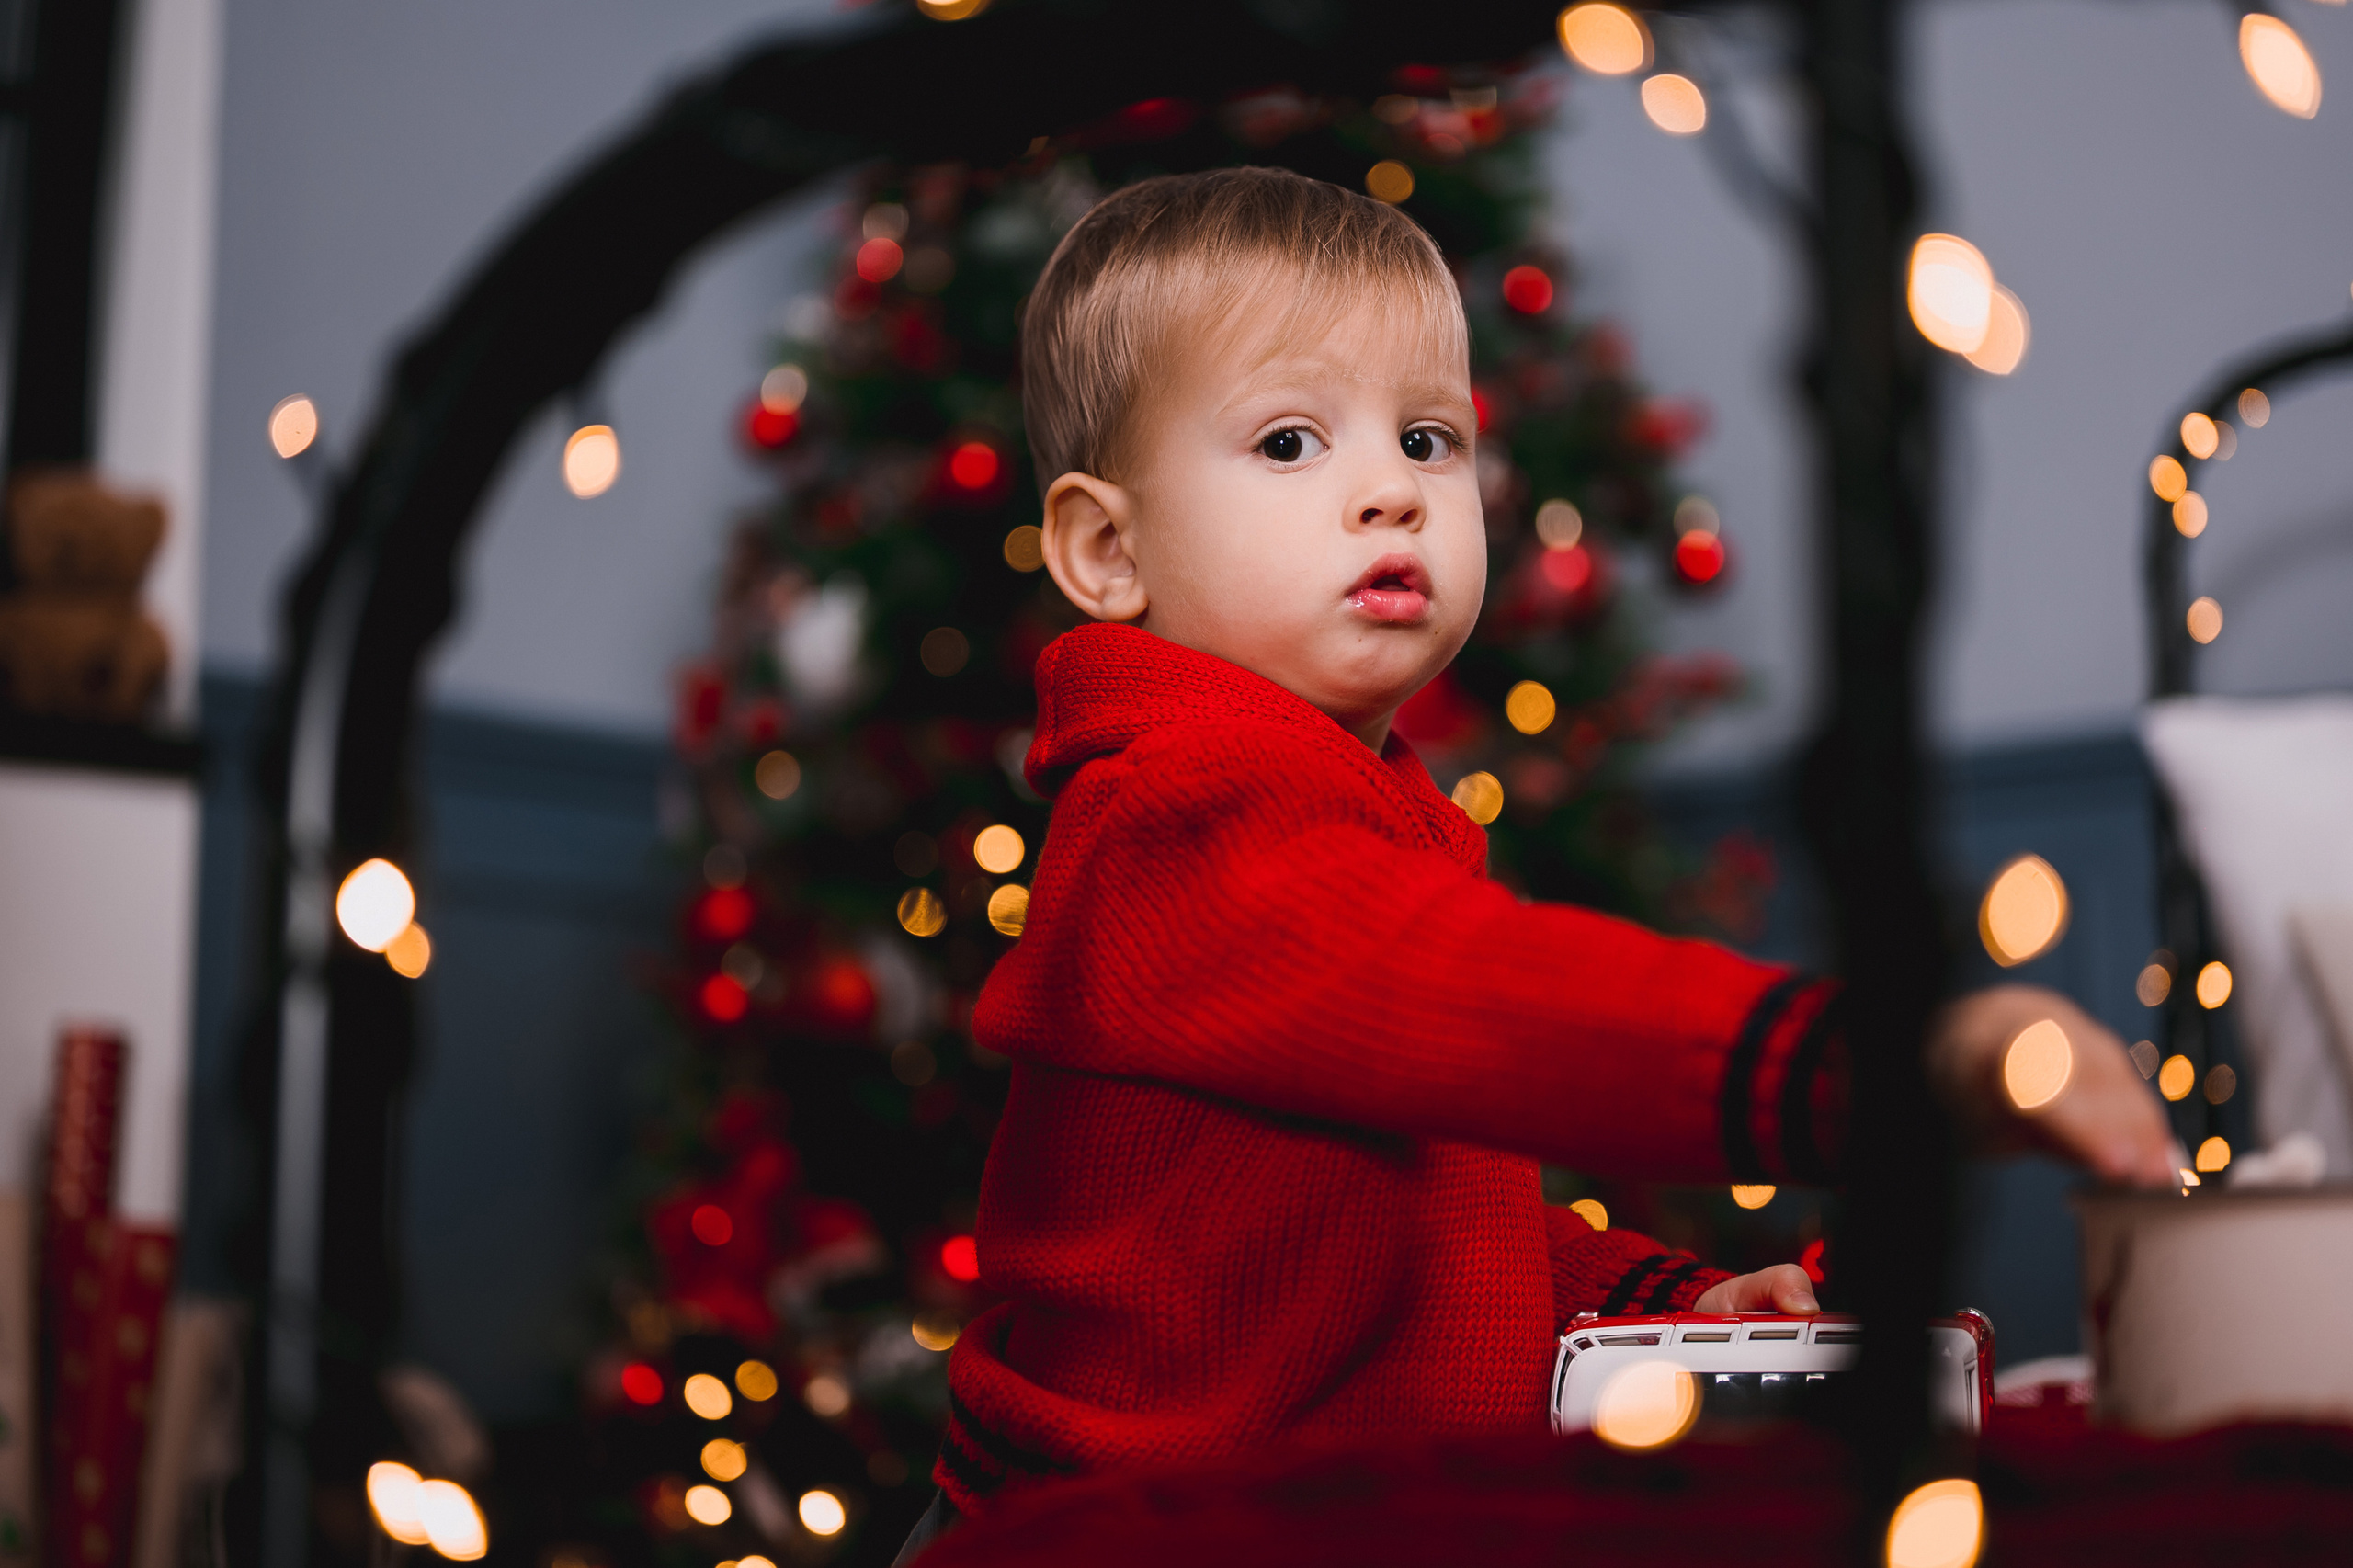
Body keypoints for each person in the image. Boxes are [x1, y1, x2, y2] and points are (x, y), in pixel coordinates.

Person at [904, 166, 2175, 1549]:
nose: (1390, 491)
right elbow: (1473, 991)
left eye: (1430, 439)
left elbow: (1440, 1242)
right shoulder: (1181, 818)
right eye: (1288, 443)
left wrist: (1669, 1303)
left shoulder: (1355, 801)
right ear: (1105, 547)